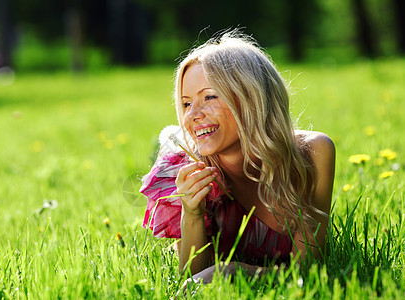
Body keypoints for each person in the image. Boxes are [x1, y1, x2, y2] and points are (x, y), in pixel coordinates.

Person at [140, 30, 335, 283]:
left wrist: (233, 271)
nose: (192, 115)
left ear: (252, 97)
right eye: (186, 103)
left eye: (209, 96)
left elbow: (307, 271)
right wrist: (192, 213)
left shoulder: (312, 154)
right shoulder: (185, 168)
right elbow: (191, 280)